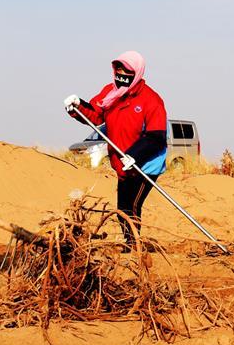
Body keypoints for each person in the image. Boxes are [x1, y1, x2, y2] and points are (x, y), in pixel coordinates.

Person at [64, 51, 167, 247]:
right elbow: (95, 114)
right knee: (122, 208)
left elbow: (157, 137)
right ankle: (131, 243)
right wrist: (77, 108)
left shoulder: (151, 100)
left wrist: (135, 155)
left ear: (136, 72)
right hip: (121, 161)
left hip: (145, 163)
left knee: (133, 206)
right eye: (118, 69)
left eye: (126, 70)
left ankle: (134, 247)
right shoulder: (110, 92)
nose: (121, 74)